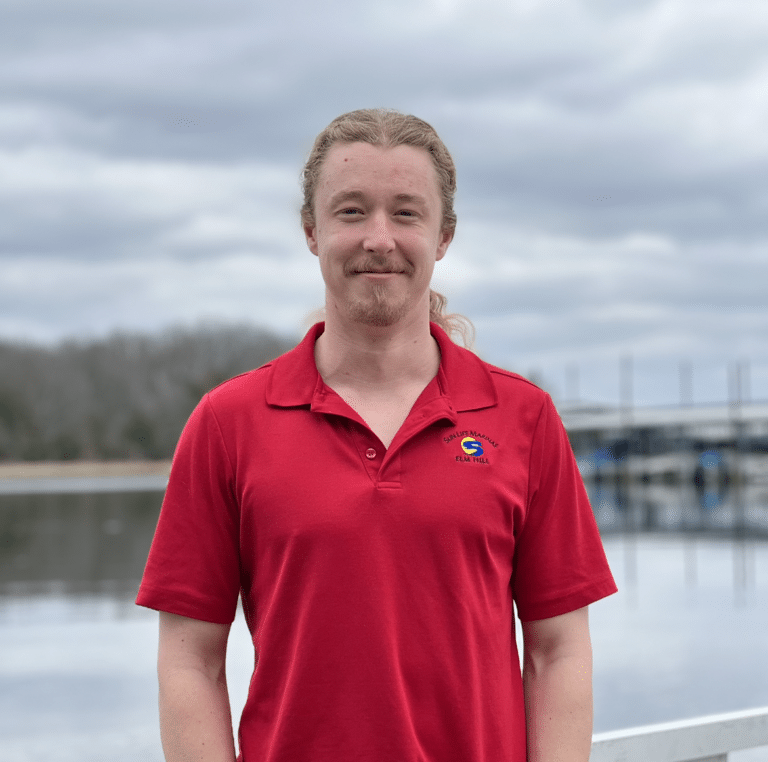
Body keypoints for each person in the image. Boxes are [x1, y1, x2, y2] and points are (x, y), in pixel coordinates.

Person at [137, 108, 617, 762]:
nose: (379, 238)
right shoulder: (227, 424)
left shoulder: (523, 418)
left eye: (407, 213)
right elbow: (190, 662)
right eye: (352, 211)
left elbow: (558, 650)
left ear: (444, 236)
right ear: (312, 230)